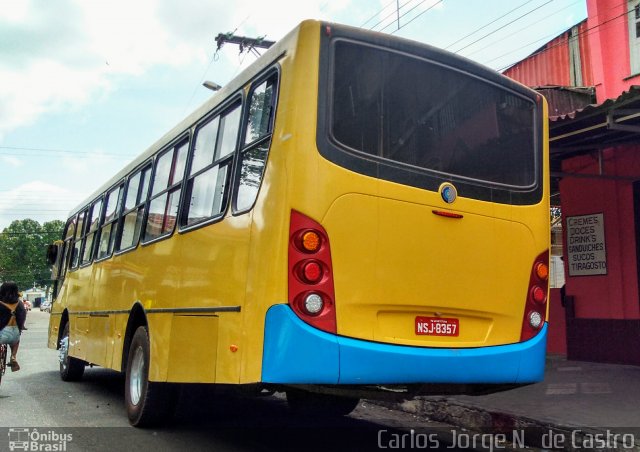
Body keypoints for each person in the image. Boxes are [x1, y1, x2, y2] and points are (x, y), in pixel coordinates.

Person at [0, 281, 27, 371]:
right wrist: (20, 328)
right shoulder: (20, 304)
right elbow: (22, 319)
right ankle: (13, 356)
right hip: (14, 335)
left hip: (1, 334)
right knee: (16, 340)